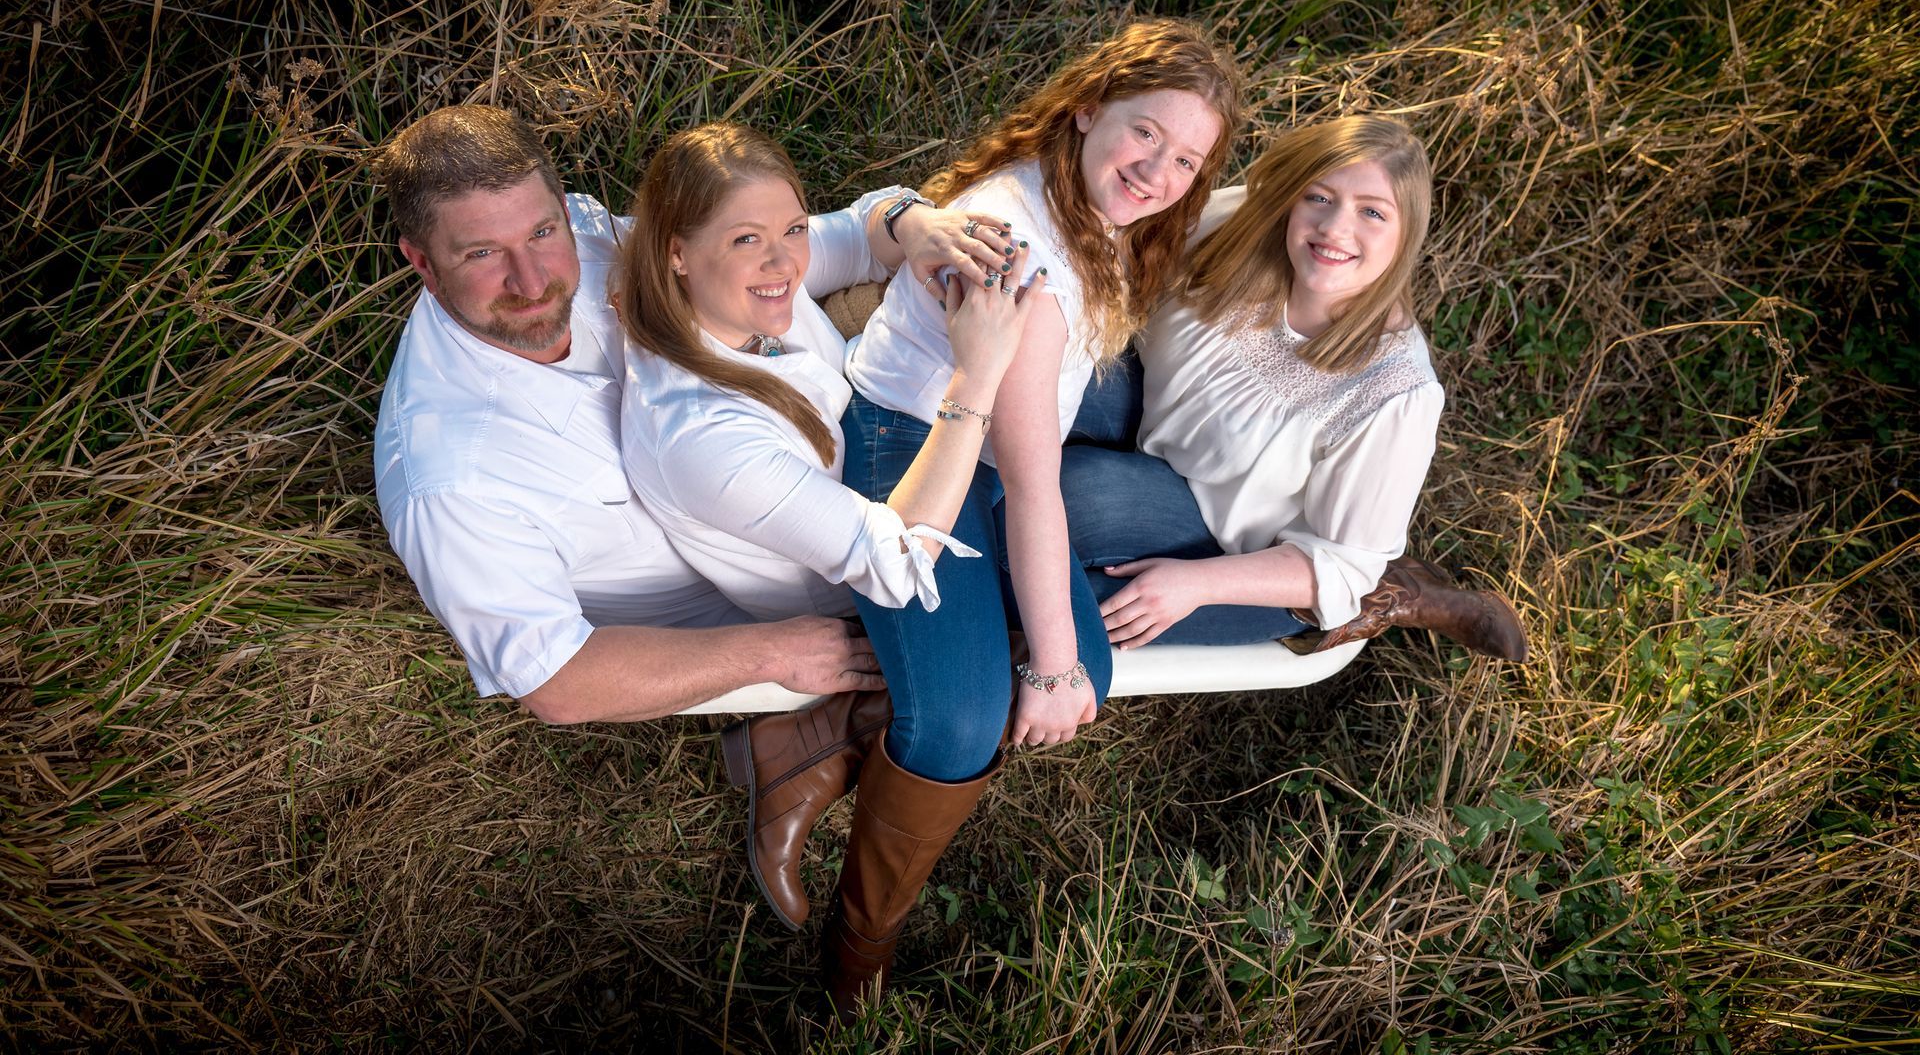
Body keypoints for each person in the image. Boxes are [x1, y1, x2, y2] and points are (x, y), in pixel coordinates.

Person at [368, 105, 999, 725]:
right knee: (978, 692)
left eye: (541, 234)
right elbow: (556, 679)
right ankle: (803, 745)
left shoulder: (594, 243)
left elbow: (793, 253)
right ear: (421, 262)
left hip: (859, 461)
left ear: (564, 212)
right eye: (481, 254)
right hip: (807, 586)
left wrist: (906, 223)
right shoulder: (448, 479)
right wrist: (771, 653)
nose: (531, 281)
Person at [612, 122, 1044, 1011]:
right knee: (1027, 659)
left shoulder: (731, 300)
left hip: (880, 459)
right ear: (677, 254)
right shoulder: (703, 434)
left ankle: (808, 743)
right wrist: (978, 378)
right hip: (864, 565)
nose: (783, 264)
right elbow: (896, 565)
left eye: (790, 230)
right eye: (747, 240)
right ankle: (859, 934)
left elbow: (861, 228)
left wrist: (918, 224)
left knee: (1074, 387)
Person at [1069, 115, 1527, 660]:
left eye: (1373, 213)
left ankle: (1396, 594)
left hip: (1236, 550)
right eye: (1320, 197)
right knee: (1035, 385)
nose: (1335, 229)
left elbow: (1341, 565)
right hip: (1148, 419)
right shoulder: (1244, 230)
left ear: (1406, 237)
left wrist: (1194, 584)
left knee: (1061, 519)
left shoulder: (1395, 390)